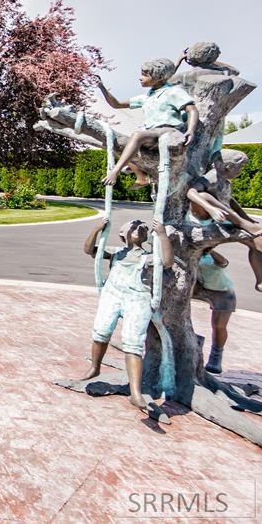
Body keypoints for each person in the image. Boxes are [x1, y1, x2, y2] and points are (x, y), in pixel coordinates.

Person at [78, 218, 173, 411]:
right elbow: (89, 250)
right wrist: (98, 228)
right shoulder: (116, 253)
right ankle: (95, 367)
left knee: (133, 342)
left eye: (143, 227)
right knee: (101, 331)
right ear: (123, 234)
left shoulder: (148, 257)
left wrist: (162, 235)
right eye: (133, 226)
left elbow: (167, 261)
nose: (139, 227)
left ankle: (135, 392)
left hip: (137, 298)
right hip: (113, 295)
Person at [96, 58, 199, 187]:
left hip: (170, 131)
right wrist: (102, 87)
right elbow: (116, 105)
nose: (140, 78)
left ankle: (115, 171)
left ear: (159, 77)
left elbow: (192, 110)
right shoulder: (146, 97)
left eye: (145, 74)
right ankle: (140, 175)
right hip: (153, 133)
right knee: (123, 144)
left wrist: (191, 130)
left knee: (137, 136)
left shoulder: (173, 92)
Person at [193, 249, 236, 374]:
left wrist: (210, 251)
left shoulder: (210, 256)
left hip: (222, 291)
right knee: (177, 310)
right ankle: (193, 343)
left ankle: (216, 356)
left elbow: (223, 263)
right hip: (199, 289)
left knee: (219, 326)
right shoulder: (190, 253)